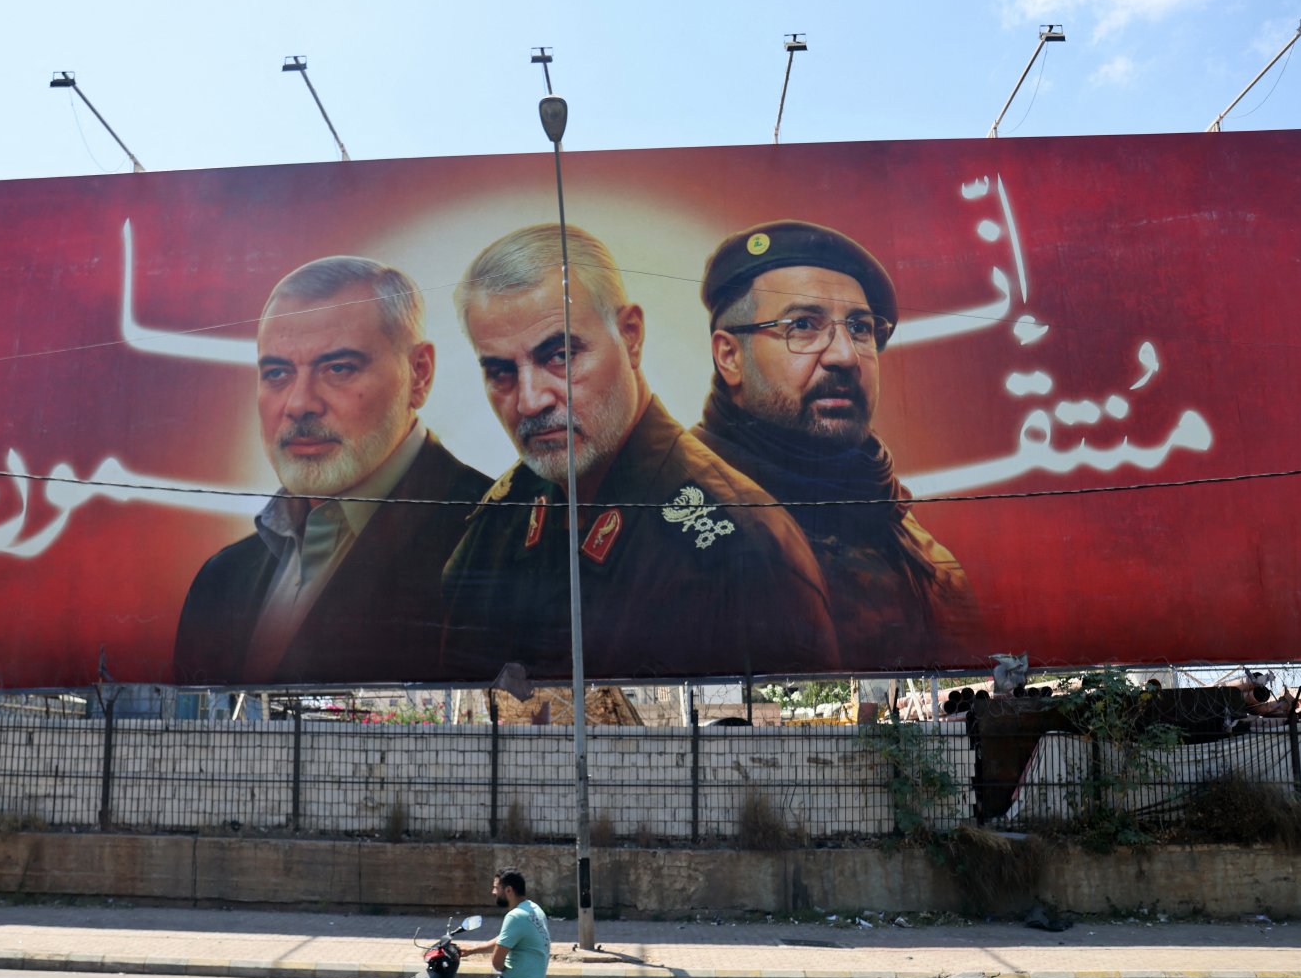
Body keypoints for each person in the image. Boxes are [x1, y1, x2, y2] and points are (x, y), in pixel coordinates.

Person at [440, 224, 840, 680]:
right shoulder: (494, 525)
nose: (531, 400)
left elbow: (788, 735)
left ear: (630, 336)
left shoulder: (744, 546)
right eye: (501, 371)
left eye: (560, 355)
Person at [174, 256, 490, 684]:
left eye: (338, 368)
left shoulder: (496, 542)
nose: (300, 403)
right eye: (278, 372)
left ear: (419, 374)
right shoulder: (221, 580)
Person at [691, 220, 982, 668]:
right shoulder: (678, 515)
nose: (845, 356)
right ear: (730, 356)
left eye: (861, 328)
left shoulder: (919, 551)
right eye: (803, 325)